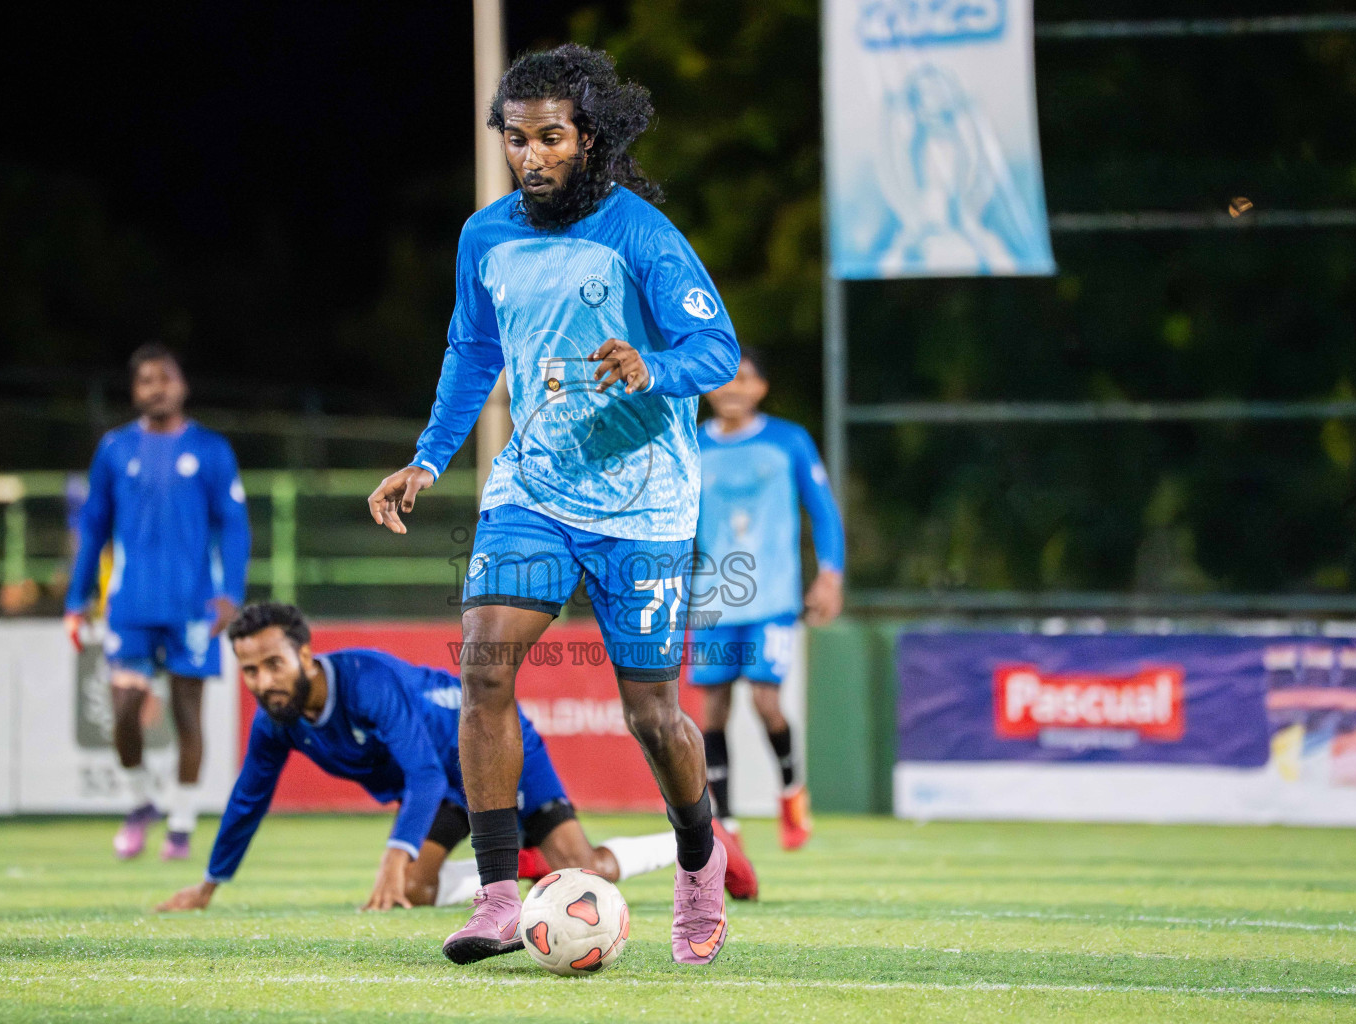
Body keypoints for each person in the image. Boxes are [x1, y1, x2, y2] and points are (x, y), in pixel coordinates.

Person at [367, 44, 745, 965]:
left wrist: (652, 366)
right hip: (533, 488)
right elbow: (473, 354)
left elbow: (718, 351)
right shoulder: (484, 236)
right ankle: (500, 894)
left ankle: (701, 861)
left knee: (653, 716)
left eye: (551, 137)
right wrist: (426, 458)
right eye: (516, 138)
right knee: (486, 668)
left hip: (646, 504)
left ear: (590, 139)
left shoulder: (643, 235)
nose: (531, 156)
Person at [154, 603, 748, 915]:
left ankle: (702, 840)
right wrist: (212, 881)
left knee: (584, 871)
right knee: (413, 890)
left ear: (306, 655)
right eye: (249, 671)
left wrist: (394, 853)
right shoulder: (276, 721)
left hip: (498, 750)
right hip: (448, 787)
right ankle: (526, 869)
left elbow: (423, 773)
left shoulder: (366, 680)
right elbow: (248, 799)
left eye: (272, 665)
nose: (261, 681)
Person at [63, 344, 250, 861]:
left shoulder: (210, 450)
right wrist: (76, 600)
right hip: (130, 603)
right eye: (145, 380)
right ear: (135, 391)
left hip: (195, 607)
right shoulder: (115, 450)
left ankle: (182, 825)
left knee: (189, 716)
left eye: (164, 378)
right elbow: (94, 527)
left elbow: (234, 527)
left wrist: (230, 594)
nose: (156, 388)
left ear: (182, 385)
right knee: (123, 712)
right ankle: (142, 801)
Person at [692, 349, 845, 851]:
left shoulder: (788, 440)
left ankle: (791, 792)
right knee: (713, 708)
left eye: (745, 378)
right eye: (723, 379)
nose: (733, 388)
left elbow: (823, 511)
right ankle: (726, 824)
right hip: (712, 599)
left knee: (765, 700)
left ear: (762, 388)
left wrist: (830, 574)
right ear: (708, 386)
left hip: (774, 598)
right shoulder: (691, 445)